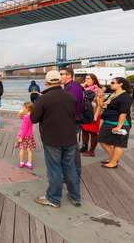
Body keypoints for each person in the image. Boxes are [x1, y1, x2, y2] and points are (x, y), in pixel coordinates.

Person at [30, 70, 81, 208]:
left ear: (46, 83)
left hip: (52, 139)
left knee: (54, 169)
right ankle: (75, 196)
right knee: (70, 167)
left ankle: (53, 198)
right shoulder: (71, 96)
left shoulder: (43, 99)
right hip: (70, 137)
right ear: (60, 81)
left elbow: (33, 118)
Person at [98, 77, 133, 168]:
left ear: (120, 84)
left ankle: (113, 163)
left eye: (113, 82)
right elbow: (106, 104)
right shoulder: (114, 94)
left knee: (118, 144)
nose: (111, 84)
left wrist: (119, 127)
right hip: (108, 121)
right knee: (102, 140)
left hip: (121, 123)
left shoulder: (125, 97)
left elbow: (123, 113)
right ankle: (113, 158)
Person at [60, 66, 83, 179]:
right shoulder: (68, 87)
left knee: (72, 149)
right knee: (69, 148)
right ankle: (70, 173)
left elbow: (68, 105)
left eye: (61, 74)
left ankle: (75, 175)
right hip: (69, 120)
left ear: (69, 75)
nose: (59, 76)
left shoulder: (73, 88)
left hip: (71, 121)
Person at [80, 74, 105, 156]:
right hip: (85, 113)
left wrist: (95, 116)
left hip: (93, 113)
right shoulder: (84, 89)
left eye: (88, 78)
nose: (86, 80)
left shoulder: (98, 90)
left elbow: (100, 105)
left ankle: (92, 150)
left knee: (93, 132)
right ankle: (84, 147)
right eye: (85, 79)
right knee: (84, 130)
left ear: (94, 80)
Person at [15, 102, 36, 169]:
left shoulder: (26, 118)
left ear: (27, 109)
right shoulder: (31, 116)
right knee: (29, 149)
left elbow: (24, 129)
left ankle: (21, 162)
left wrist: (21, 137)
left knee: (22, 149)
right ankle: (29, 163)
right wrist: (21, 116)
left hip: (24, 136)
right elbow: (27, 122)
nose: (22, 108)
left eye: (23, 107)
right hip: (30, 136)